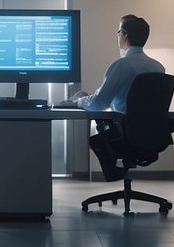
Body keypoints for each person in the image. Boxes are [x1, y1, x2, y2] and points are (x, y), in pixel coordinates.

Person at [66, 14, 164, 179]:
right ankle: (118, 174)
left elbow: (99, 103)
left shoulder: (121, 65)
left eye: (118, 32)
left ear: (125, 34)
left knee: (97, 137)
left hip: (125, 133)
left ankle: (114, 173)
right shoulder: (159, 67)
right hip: (153, 135)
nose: (117, 36)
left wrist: (78, 101)